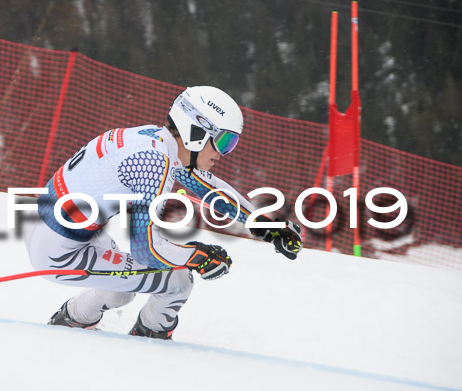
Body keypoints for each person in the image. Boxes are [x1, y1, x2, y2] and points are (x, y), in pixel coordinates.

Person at [23, 86, 302, 339]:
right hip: (61, 252)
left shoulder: (153, 140)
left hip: (53, 230)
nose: (224, 154)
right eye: (225, 142)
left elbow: (208, 188)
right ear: (197, 131)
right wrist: (196, 256)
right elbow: (146, 250)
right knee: (178, 282)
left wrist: (266, 225)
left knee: (120, 292)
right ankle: (151, 348)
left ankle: (67, 324)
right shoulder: (155, 162)